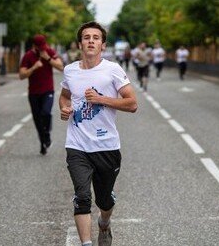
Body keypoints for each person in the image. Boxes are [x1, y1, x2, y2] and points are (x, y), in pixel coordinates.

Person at [59, 21, 138, 246]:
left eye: (96, 37)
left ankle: (104, 223)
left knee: (104, 200)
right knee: (82, 197)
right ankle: (86, 243)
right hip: (77, 145)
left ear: (102, 45)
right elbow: (65, 95)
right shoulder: (71, 70)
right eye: (86, 37)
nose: (91, 41)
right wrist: (64, 108)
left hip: (106, 146)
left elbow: (132, 104)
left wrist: (100, 99)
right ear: (80, 44)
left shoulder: (112, 70)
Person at [19, 34, 64, 155]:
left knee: (46, 113)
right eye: (40, 47)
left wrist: (48, 58)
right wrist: (33, 67)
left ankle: (47, 135)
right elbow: (21, 75)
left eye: (44, 46)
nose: (43, 49)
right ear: (34, 46)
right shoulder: (28, 56)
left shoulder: (49, 51)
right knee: (37, 119)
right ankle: (42, 142)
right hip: (33, 93)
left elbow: (61, 67)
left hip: (48, 90)